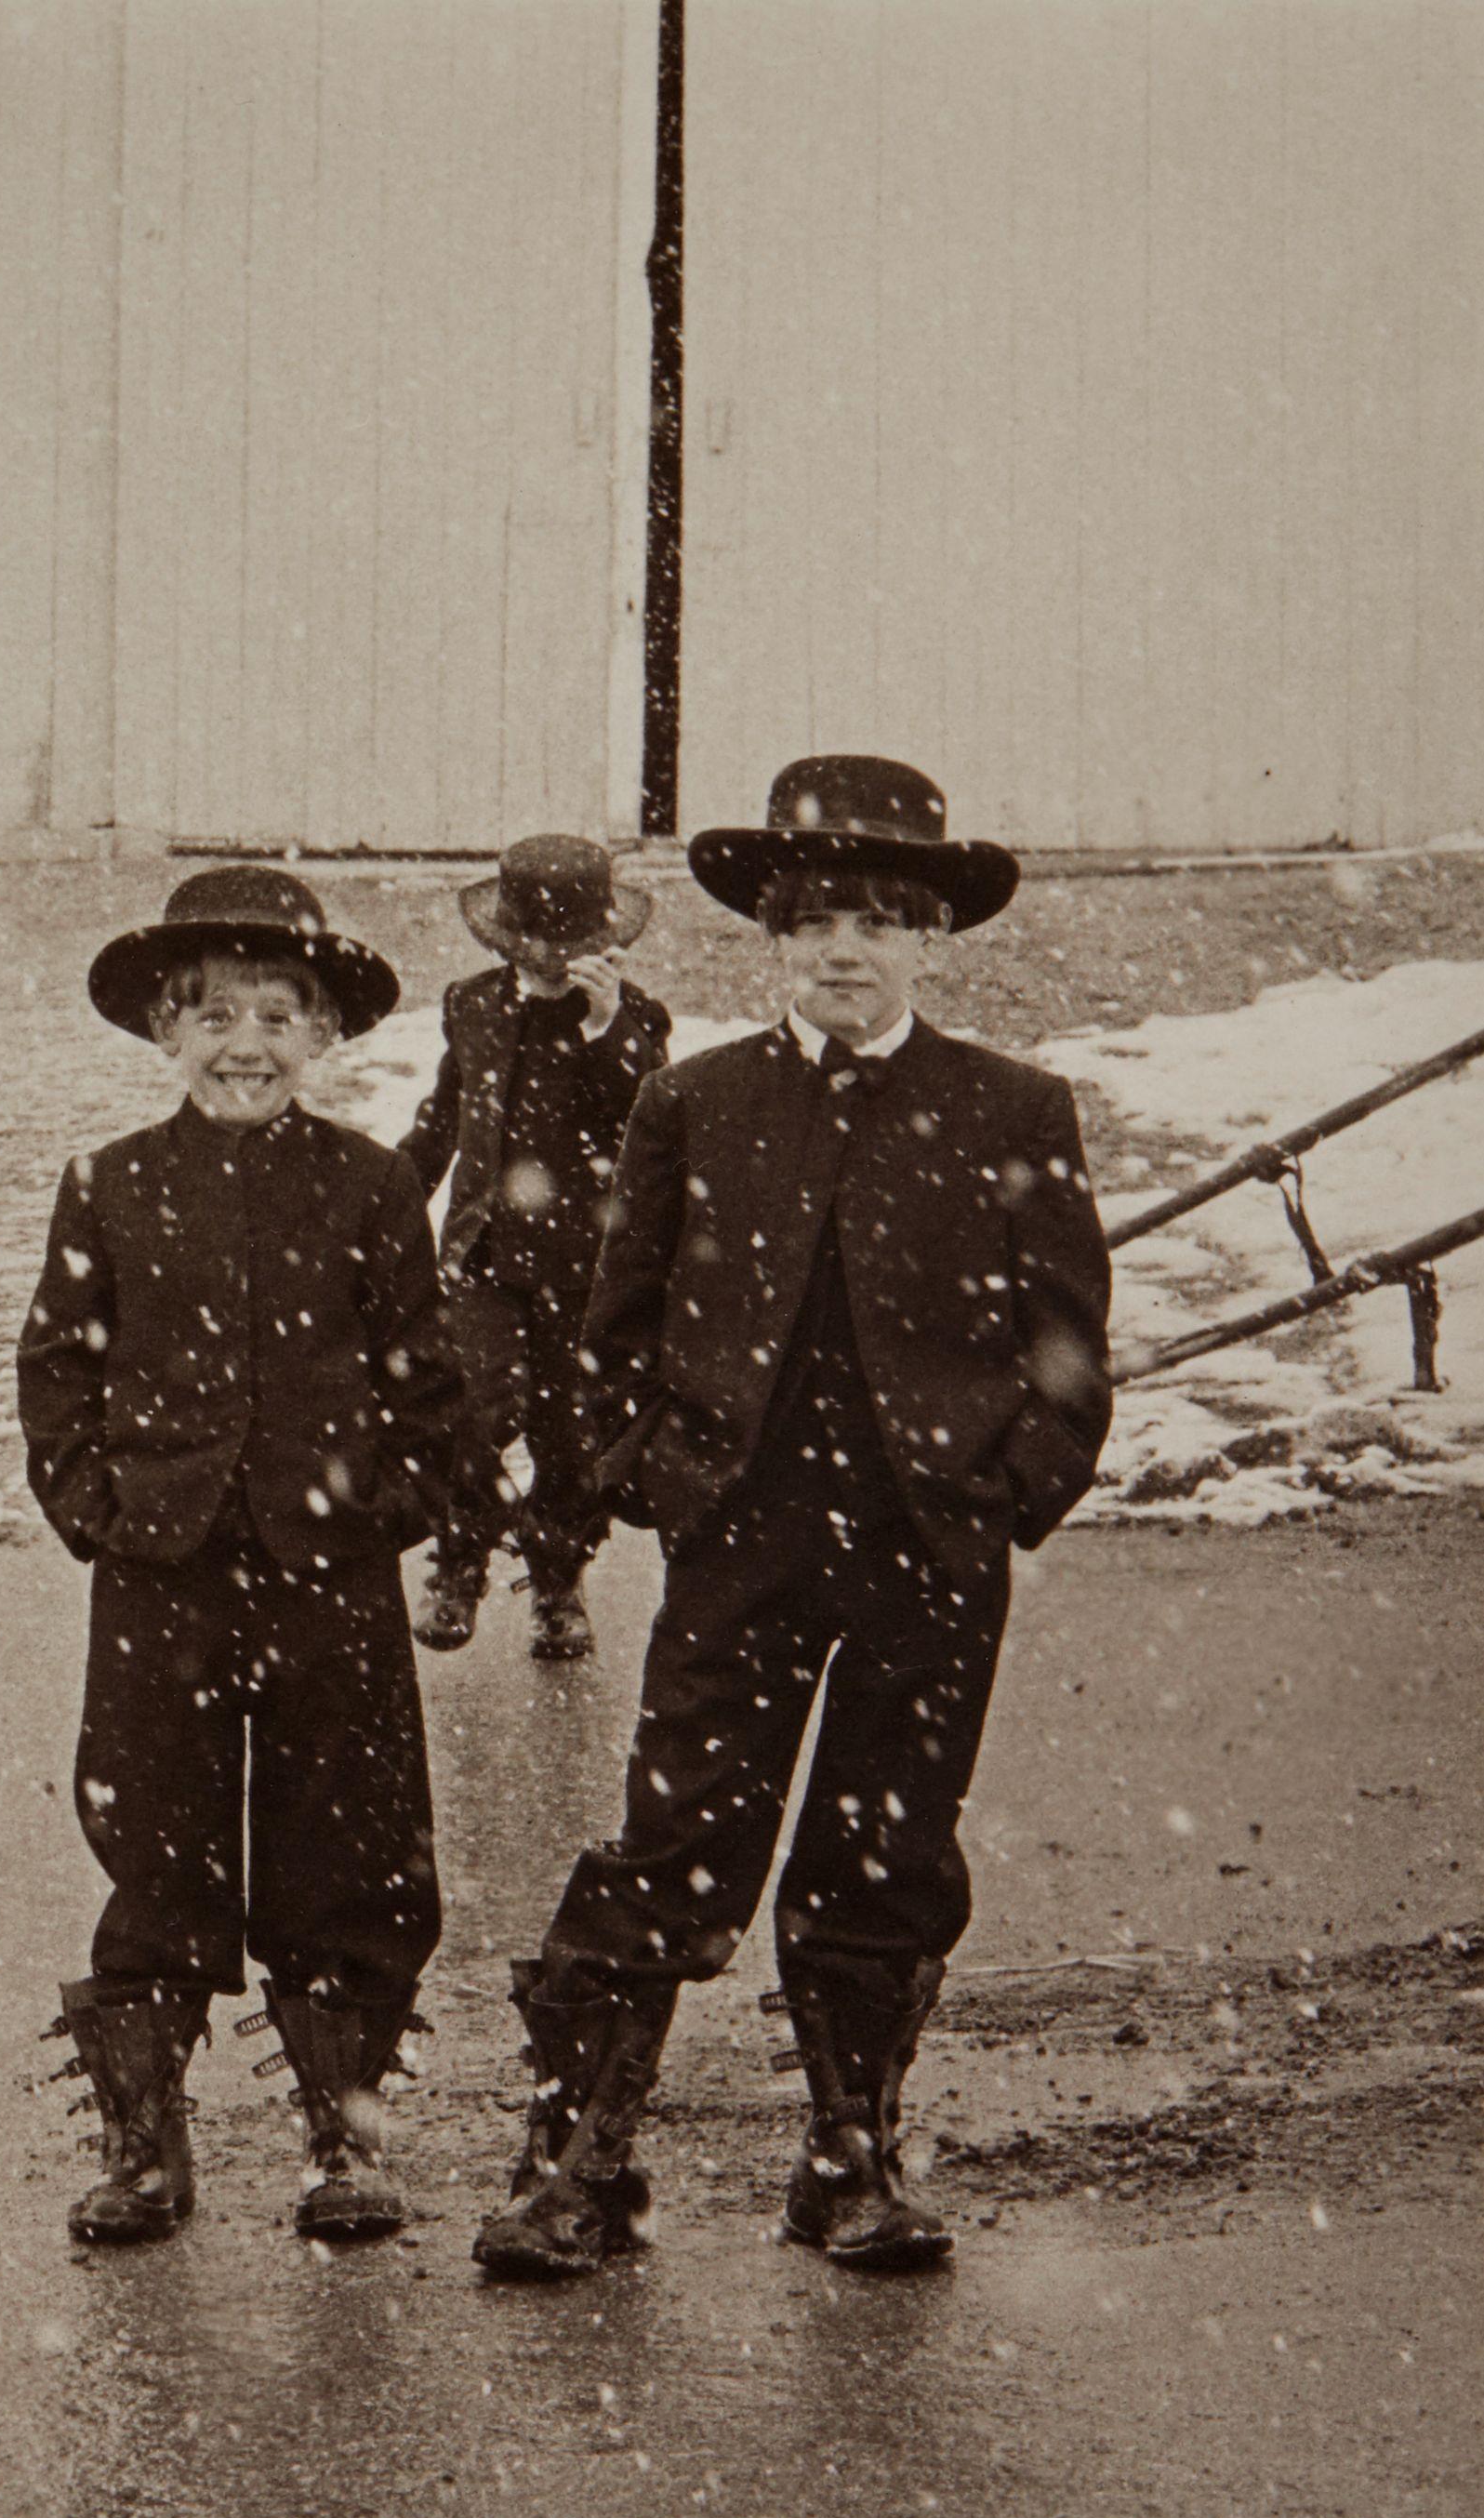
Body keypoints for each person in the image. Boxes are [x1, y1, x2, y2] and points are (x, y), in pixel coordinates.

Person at [472, 758, 1111, 2283]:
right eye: (813, 917)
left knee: (883, 1843)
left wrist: (1007, 1485)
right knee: (677, 1834)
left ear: (927, 943)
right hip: (738, 1536)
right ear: (769, 935)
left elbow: (1065, 1337)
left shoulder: (1005, 1106)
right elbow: (611, 1325)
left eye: (880, 920)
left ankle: (847, 2153)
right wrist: (648, 1472)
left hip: (927, 1542)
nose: (843, 949)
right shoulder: (692, 1102)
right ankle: (580, 2150)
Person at [16, 868, 460, 2245]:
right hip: (162, 1566)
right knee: (154, 1838)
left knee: (350, 1843)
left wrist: (384, 1507)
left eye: (278, 1014)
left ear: (321, 1035)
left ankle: (345, 2132)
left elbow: (427, 1380)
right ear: (167, 1030)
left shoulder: (374, 1186)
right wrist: (98, 1505)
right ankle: (145, 2142)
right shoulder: (110, 1186)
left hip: (330, 1571)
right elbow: (54, 1372)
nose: (245, 1044)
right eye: (214, 1015)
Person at [397, 835, 672, 1661]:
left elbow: (649, 1132)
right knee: (472, 1408)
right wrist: (388, 1199)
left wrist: (605, 1030)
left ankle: (556, 1574)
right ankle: (459, 1556)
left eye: (578, 949)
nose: (556, 963)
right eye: (538, 949)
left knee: (571, 1434)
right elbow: (444, 1116)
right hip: (484, 1253)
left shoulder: (634, 1020)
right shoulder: (472, 1005)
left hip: (585, 1266)